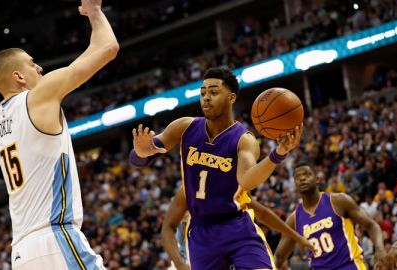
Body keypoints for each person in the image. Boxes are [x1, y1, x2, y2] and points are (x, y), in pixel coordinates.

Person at [130, 67, 303, 269]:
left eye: (213, 92)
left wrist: (278, 153)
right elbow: (138, 159)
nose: (206, 98)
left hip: (237, 227)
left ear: (231, 98)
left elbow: (246, 180)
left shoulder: (243, 140)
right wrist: (142, 153)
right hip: (200, 232)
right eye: (203, 93)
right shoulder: (184, 127)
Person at [0, 0, 119, 269]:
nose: (39, 68)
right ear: (19, 77)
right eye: (32, 64)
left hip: (22, 253)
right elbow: (107, 48)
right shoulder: (36, 98)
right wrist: (94, 11)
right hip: (55, 238)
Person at [162, 188, 315, 270]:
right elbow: (168, 227)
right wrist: (180, 264)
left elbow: (262, 213)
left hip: (239, 236)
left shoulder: (232, 184)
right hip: (199, 250)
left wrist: (296, 237)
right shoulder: (188, 192)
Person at [274, 161, 386, 270]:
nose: (302, 178)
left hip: (349, 265)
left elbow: (371, 225)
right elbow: (279, 256)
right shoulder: (294, 219)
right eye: (298, 177)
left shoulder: (338, 201)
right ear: (295, 184)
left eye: (307, 174)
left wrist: (379, 248)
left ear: (317, 179)